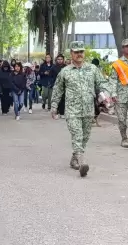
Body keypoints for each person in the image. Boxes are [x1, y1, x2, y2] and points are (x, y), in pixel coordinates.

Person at [51, 41, 113, 177]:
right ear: (71, 54)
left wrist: (106, 94)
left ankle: (74, 158)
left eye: (81, 52)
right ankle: (81, 160)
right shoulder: (65, 72)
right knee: (77, 134)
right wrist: (54, 106)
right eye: (76, 52)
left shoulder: (92, 69)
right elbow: (57, 89)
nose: (79, 54)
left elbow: (102, 83)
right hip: (72, 110)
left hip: (88, 109)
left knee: (85, 136)